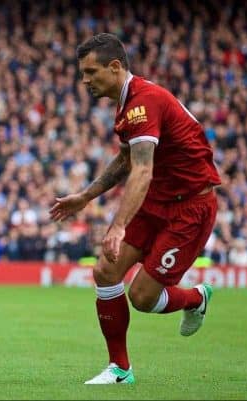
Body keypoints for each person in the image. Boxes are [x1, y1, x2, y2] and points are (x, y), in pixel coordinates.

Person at [50, 33, 221, 385]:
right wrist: (86, 196)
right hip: (158, 199)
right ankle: (120, 370)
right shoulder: (128, 103)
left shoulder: (144, 102)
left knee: (142, 297)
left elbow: (143, 168)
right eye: (82, 73)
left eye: (91, 72)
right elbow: (127, 159)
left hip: (190, 206)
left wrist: (117, 227)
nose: (85, 80)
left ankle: (194, 298)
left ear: (115, 67)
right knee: (106, 273)